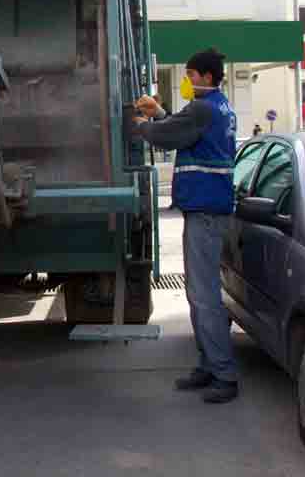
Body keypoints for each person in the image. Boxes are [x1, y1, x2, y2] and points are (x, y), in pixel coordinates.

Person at [133, 49, 239, 404]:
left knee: (204, 296)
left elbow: (171, 135)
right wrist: (160, 114)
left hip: (206, 211)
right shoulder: (219, 106)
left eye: (191, 75)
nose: (187, 81)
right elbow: (186, 129)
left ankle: (223, 374)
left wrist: (139, 127)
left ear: (207, 77)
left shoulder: (203, 108)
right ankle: (209, 366)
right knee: (200, 293)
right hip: (209, 209)